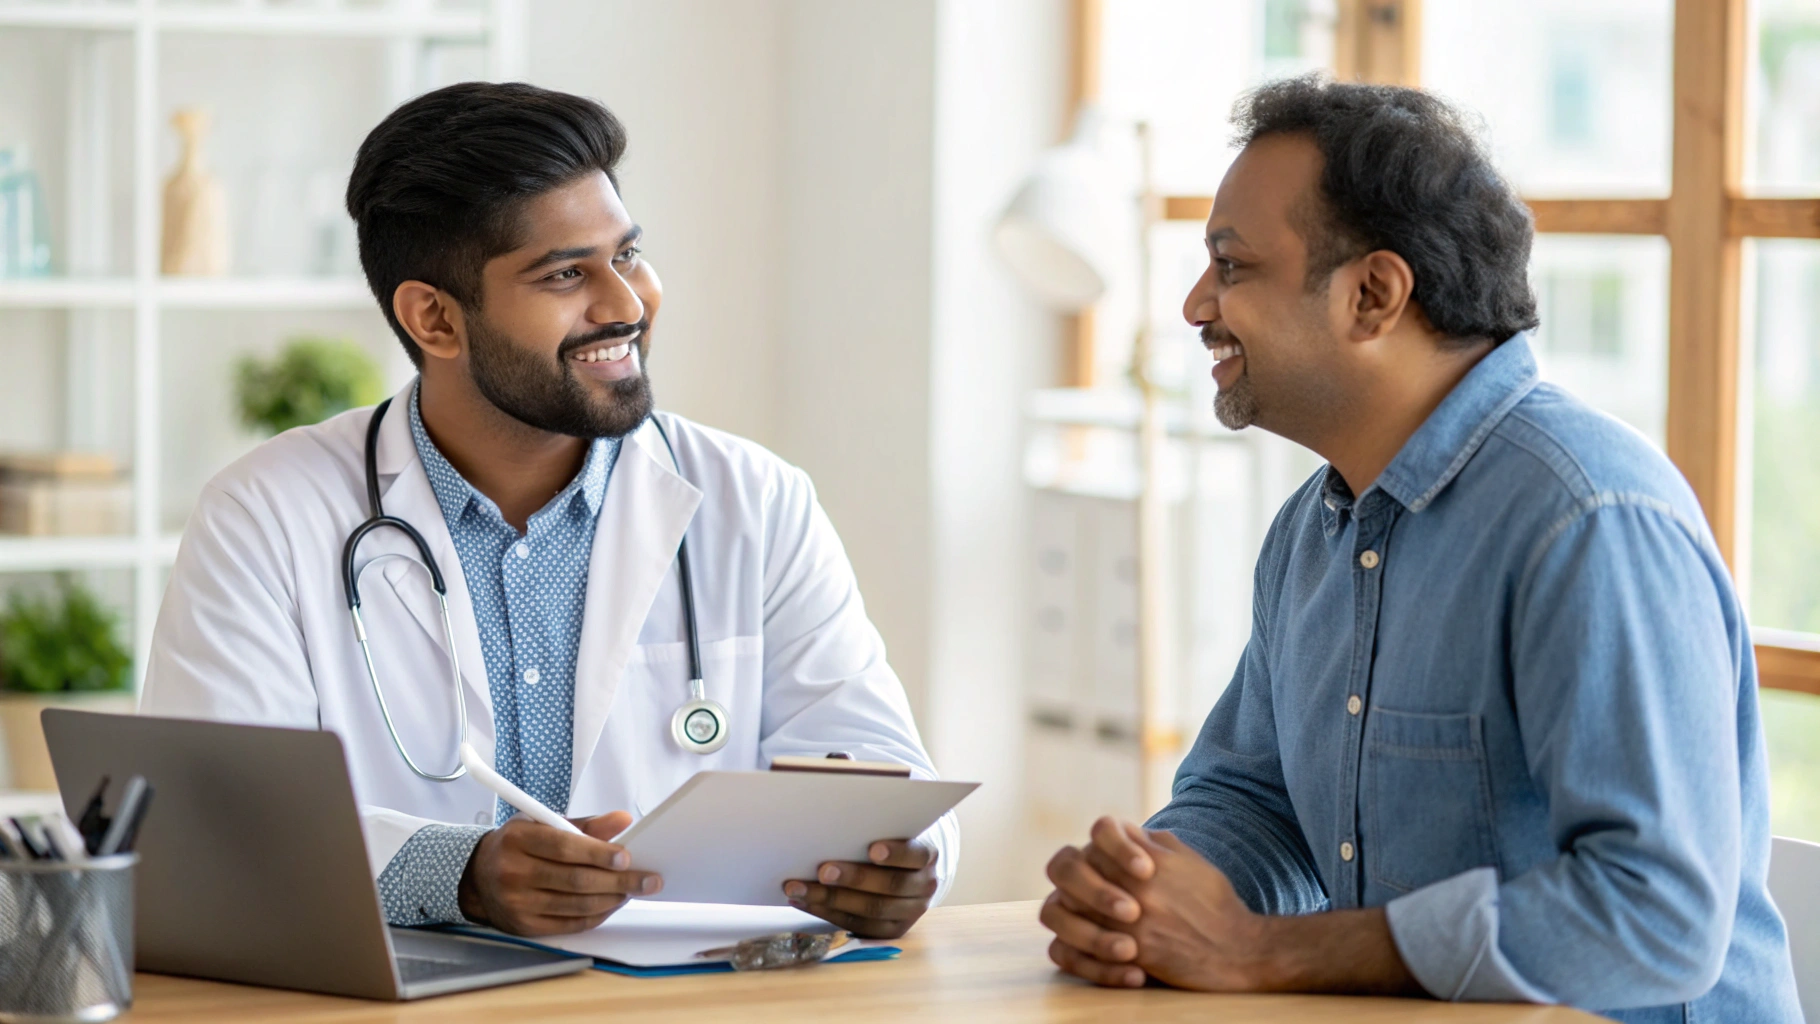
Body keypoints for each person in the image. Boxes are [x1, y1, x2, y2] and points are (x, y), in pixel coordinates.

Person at [1038, 76, 1800, 1022]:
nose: (1196, 305)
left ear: (1373, 294)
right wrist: (1143, 896)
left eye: (1231, 267)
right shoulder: (1311, 534)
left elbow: (1657, 916)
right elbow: (1255, 801)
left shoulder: (1588, 519)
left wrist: (1261, 953)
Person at [141, 82, 954, 940]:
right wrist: (460, 874)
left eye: (627, 255)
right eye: (567, 274)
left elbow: (886, 774)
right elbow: (213, 825)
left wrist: (901, 868)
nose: (627, 304)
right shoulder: (268, 515)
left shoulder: (755, 501)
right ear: (435, 318)